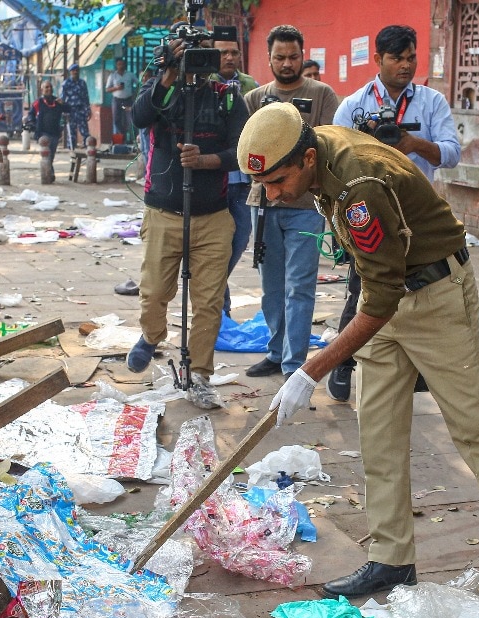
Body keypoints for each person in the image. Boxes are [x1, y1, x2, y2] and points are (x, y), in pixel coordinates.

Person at [237, 102, 479, 600]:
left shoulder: (359, 189)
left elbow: (380, 299)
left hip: (434, 298)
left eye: (278, 181)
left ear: (307, 158)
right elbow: (376, 287)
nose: (273, 194)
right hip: (387, 296)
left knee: (476, 428)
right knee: (377, 435)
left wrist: (311, 369)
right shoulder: (317, 147)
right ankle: (391, 560)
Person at [327, 24, 462, 401]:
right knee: (363, 289)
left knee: (425, 289)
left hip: (419, 214)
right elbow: (333, 158)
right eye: (396, 58)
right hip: (369, 212)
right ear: (378, 59)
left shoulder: (432, 102)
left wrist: (412, 143)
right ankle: (342, 365)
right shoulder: (354, 105)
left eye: (410, 57)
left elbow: (451, 153)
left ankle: (417, 369)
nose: (405, 65)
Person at [125, 35, 249, 410]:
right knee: (154, 293)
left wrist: (205, 160)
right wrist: (167, 73)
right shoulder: (161, 91)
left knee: (209, 302)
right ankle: (151, 335)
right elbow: (140, 117)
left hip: (213, 214)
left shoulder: (228, 96)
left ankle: (199, 375)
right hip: (164, 211)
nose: (198, 62)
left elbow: (243, 152)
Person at [242, 25, 339, 379]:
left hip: (307, 207)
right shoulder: (255, 98)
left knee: (300, 284)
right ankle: (274, 350)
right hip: (264, 205)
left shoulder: (322, 95)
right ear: (268, 58)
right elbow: (246, 154)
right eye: (279, 57)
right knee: (271, 287)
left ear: (303, 55)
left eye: (293, 56)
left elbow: (330, 144)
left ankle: (294, 364)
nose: (286, 63)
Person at [212, 38, 258, 316]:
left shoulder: (250, 86)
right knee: (216, 250)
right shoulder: (202, 85)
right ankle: (220, 309)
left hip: (243, 181)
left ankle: (216, 297)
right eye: (223, 53)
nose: (229, 57)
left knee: (239, 242)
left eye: (234, 52)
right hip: (215, 179)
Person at [25, 80, 68, 177]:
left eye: (50, 87)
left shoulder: (57, 101)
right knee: (47, 154)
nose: (49, 89)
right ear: (42, 90)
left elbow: (68, 109)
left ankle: (48, 172)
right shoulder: (38, 102)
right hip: (43, 133)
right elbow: (31, 114)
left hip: (55, 133)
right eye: (46, 87)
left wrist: (63, 104)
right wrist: (32, 123)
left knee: (51, 155)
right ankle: (49, 174)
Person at [60, 63, 91, 150]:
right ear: (70, 72)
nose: (75, 72)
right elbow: (62, 98)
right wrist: (63, 111)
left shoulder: (82, 83)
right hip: (70, 110)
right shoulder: (66, 84)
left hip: (81, 109)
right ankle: (72, 149)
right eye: (73, 70)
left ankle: (88, 148)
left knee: (84, 131)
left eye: (77, 70)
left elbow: (86, 97)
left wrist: (88, 110)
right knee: (71, 131)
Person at [105, 57, 136, 143]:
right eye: (119, 64)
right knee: (116, 120)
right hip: (116, 100)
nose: (121, 66)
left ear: (125, 65)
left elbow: (138, 83)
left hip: (128, 100)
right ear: (116, 65)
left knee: (130, 120)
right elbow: (107, 89)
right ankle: (121, 138)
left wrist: (134, 93)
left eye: (122, 64)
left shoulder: (130, 74)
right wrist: (116, 88)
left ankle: (130, 139)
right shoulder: (113, 76)